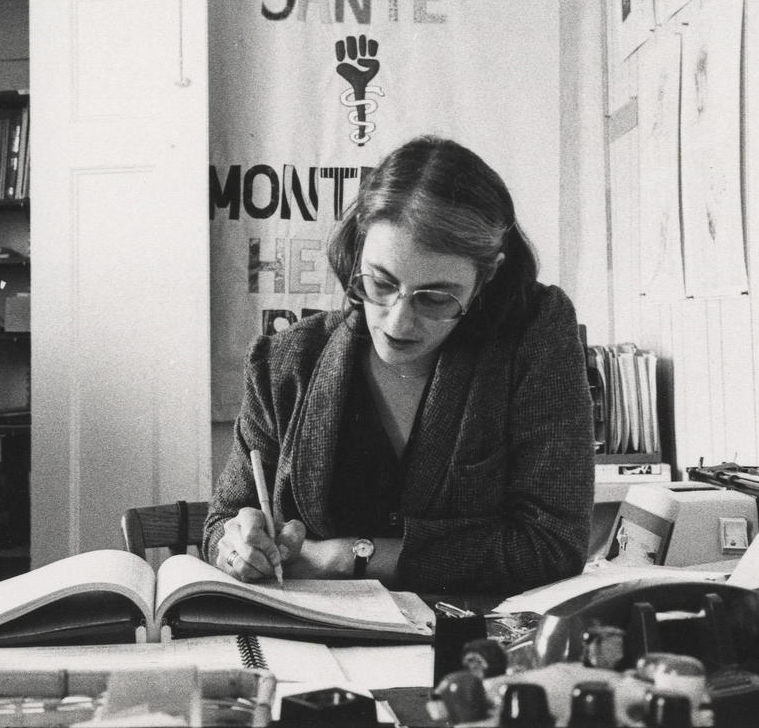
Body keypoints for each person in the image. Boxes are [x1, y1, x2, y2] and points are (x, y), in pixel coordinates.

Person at [202, 135, 595, 595]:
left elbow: (553, 544)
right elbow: (221, 523)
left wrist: (347, 558)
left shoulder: (534, 336)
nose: (397, 320)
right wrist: (238, 544)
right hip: (307, 647)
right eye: (380, 282)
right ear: (358, 251)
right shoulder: (284, 362)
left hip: (467, 648)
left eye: (435, 298)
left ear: (487, 276)